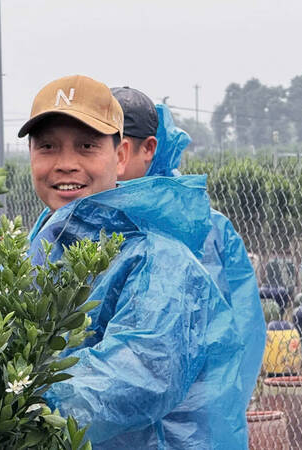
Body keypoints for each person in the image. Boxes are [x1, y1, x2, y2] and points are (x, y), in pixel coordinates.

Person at [21, 75, 247, 448]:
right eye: (47, 146)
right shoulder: (41, 248)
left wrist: (13, 403)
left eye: (86, 146)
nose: (65, 164)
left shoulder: (160, 262)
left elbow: (138, 374)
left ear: (120, 155)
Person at [111, 86, 265, 410]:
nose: (111, 155)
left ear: (149, 148)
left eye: (119, 145)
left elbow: (245, 325)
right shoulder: (83, 217)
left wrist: (221, 404)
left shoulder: (209, 228)